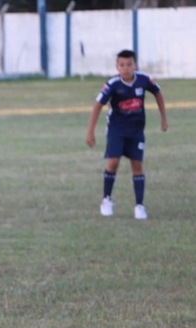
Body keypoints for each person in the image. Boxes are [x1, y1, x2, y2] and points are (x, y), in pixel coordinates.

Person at [86, 49, 168, 220]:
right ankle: (106, 199)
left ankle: (139, 205)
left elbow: (158, 93)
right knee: (113, 162)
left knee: (137, 165)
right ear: (117, 67)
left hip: (136, 131)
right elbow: (97, 105)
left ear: (135, 65)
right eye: (122, 65)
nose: (126, 68)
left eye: (129, 64)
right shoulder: (113, 84)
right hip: (117, 130)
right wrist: (90, 131)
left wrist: (163, 118)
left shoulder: (144, 80)